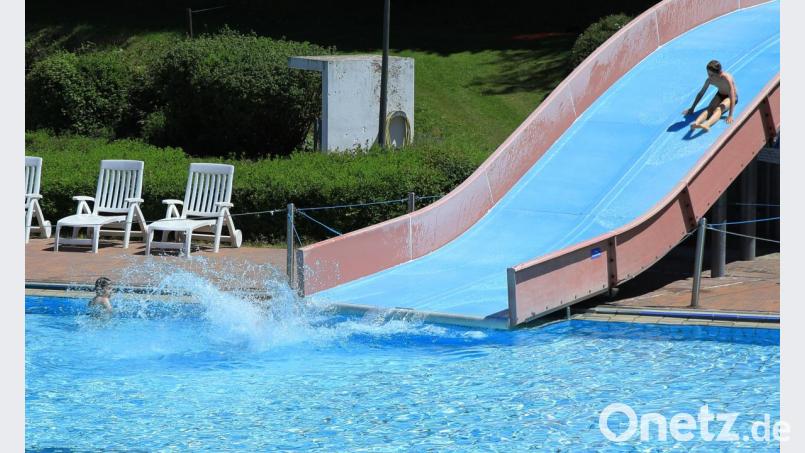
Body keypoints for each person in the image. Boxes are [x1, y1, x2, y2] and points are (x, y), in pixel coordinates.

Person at [683, 60, 738, 132]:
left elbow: (732, 95)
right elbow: (701, 93)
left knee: (718, 109)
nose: (709, 77)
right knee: (709, 109)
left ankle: (707, 124)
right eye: (708, 74)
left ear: (719, 73)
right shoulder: (709, 80)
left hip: (730, 97)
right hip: (720, 94)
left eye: (711, 75)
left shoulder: (726, 78)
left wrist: (730, 115)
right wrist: (692, 108)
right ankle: (696, 123)